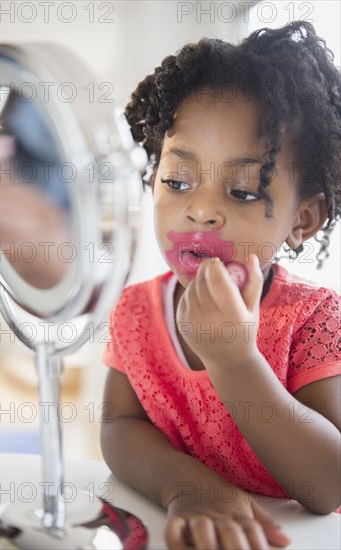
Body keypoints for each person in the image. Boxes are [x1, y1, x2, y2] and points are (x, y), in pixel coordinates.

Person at [101, 21, 341, 549]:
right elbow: (118, 427)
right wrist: (187, 486)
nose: (202, 210)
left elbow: (328, 483)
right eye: (178, 182)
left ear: (302, 219)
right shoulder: (136, 311)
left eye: (243, 191)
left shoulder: (312, 318)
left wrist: (235, 361)